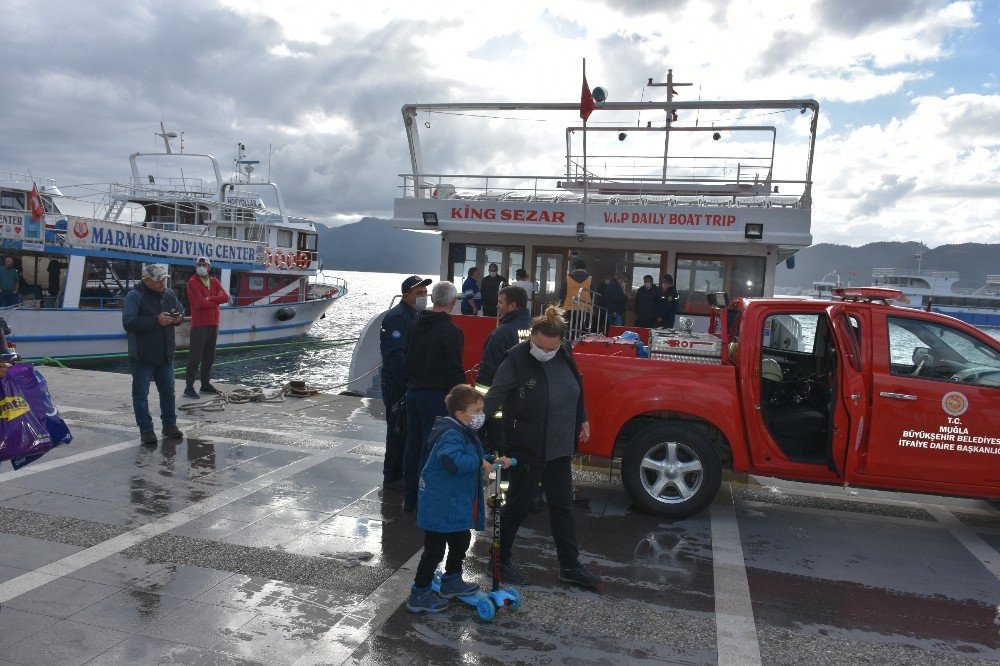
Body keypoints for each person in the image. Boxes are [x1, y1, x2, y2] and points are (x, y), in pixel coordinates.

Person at [482, 307, 602, 589]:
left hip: (559, 447)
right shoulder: (516, 359)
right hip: (526, 446)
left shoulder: (565, 352)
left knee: (562, 507)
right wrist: (469, 424)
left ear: (561, 341)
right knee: (517, 507)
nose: (545, 352)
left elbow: (576, 386)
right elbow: (494, 396)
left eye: (551, 348)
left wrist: (581, 417)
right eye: (539, 346)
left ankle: (569, 566)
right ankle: (498, 560)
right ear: (531, 337)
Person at [408, 384, 513, 613]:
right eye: (476, 411)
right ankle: (419, 593)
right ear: (460, 414)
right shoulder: (451, 434)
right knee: (434, 551)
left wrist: (490, 460)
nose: (480, 416)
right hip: (439, 503)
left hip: (453, 503)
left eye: (481, 410)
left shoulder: (465, 432)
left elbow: (470, 458)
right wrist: (479, 463)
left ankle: (452, 580)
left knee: (460, 541)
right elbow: (452, 461)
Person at [403, 281, 466, 511]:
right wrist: (463, 398)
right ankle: (425, 499)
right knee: (430, 449)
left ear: (432, 300)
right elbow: (454, 368)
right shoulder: (451, 331)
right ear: (453, 302)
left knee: (412, 445)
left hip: (413, 393)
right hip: (436, 396)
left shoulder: (415, 324)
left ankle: (410, 498)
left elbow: (407, 358)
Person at [379, 275, 431, 491]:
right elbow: (396, 356)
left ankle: (401, 471)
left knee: (408, 430)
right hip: (398, 384)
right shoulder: (397, 318)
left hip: (411, 383)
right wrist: (406, 385)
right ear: (407, 294)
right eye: (419, 293)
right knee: (397, 429)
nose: (424, 297)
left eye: (425, 293)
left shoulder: (416, 315)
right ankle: (391, 476)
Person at [122, 264, 184, 445]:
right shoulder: (135, 296)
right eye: (158, 280)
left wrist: (178, 318)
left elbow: (181, 311)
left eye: (164, 279)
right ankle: (146, 430)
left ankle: (169, 425)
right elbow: (129, 323)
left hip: (165, 353)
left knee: (168, 392)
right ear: (146, 281)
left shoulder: (169, 294)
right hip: (142, 354)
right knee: (141, 394)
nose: (162, 283)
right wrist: (156, 321)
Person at [184, 257, 230, 399]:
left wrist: (209, 299)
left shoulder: (214, 281)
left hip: (213, 323)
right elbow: (198, 304)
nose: (201, 267)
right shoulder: (192, 282)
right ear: (196, 267)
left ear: (209, 268)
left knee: (209, 356)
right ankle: (189, 387)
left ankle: (205, 384)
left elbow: (225, 297)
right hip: (199, 324)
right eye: (199, 264)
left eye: (204, 265)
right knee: (195, 356)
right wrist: (215, 300)